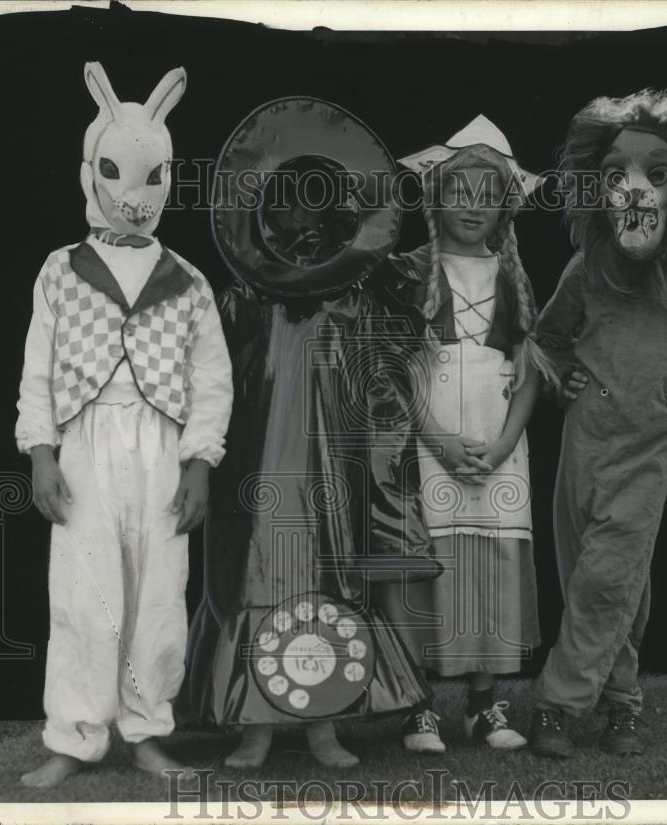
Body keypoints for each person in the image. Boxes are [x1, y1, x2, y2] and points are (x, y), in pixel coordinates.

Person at [182, 98, 433, 770]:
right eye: (288, 210)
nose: (301, 225)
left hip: (330, 473)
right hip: (252, 472)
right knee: (251, 580)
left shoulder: (354, 299)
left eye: (316, 213)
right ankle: (255, 725)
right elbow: (203, 380)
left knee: (326, 577)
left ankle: (325, 723)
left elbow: (386, 384)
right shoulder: (236, 301)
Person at [14, 62, 233, 787]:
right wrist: (42, 453)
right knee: (82, 591)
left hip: (160, 447)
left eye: (150, 177)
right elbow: (38, 370)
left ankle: (145, 731)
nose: (134, 198)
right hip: (84, 445)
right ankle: (75, 736)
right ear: (92, 171)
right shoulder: (60, 270)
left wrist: (199, 461)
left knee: (159, 595)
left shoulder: (189, 280)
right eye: (118, 174)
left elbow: (211, 379)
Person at [529, 83, 667, 758]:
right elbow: (547, 339)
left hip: (648, 447)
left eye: (653, 176)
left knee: (606, 578)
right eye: (617, 177)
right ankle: (624, 703)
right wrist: (560, 378)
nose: (634, 192)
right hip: (583, 442)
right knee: (599, 581)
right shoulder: (586, 267)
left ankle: (557, 707)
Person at [376, 116, 555, 754]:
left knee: (490, 567)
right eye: (460, 191)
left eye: (487, 193)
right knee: (430, 569)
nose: (472, 206)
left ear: (505, 203)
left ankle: (486, 704)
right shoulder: (409, 270)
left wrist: (505, 443)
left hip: (498, 443)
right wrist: (439, 441)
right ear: (436, 197)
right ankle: (417, 707)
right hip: (432, 446)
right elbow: (394, 371)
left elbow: (531, 372)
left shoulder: (514, 276)